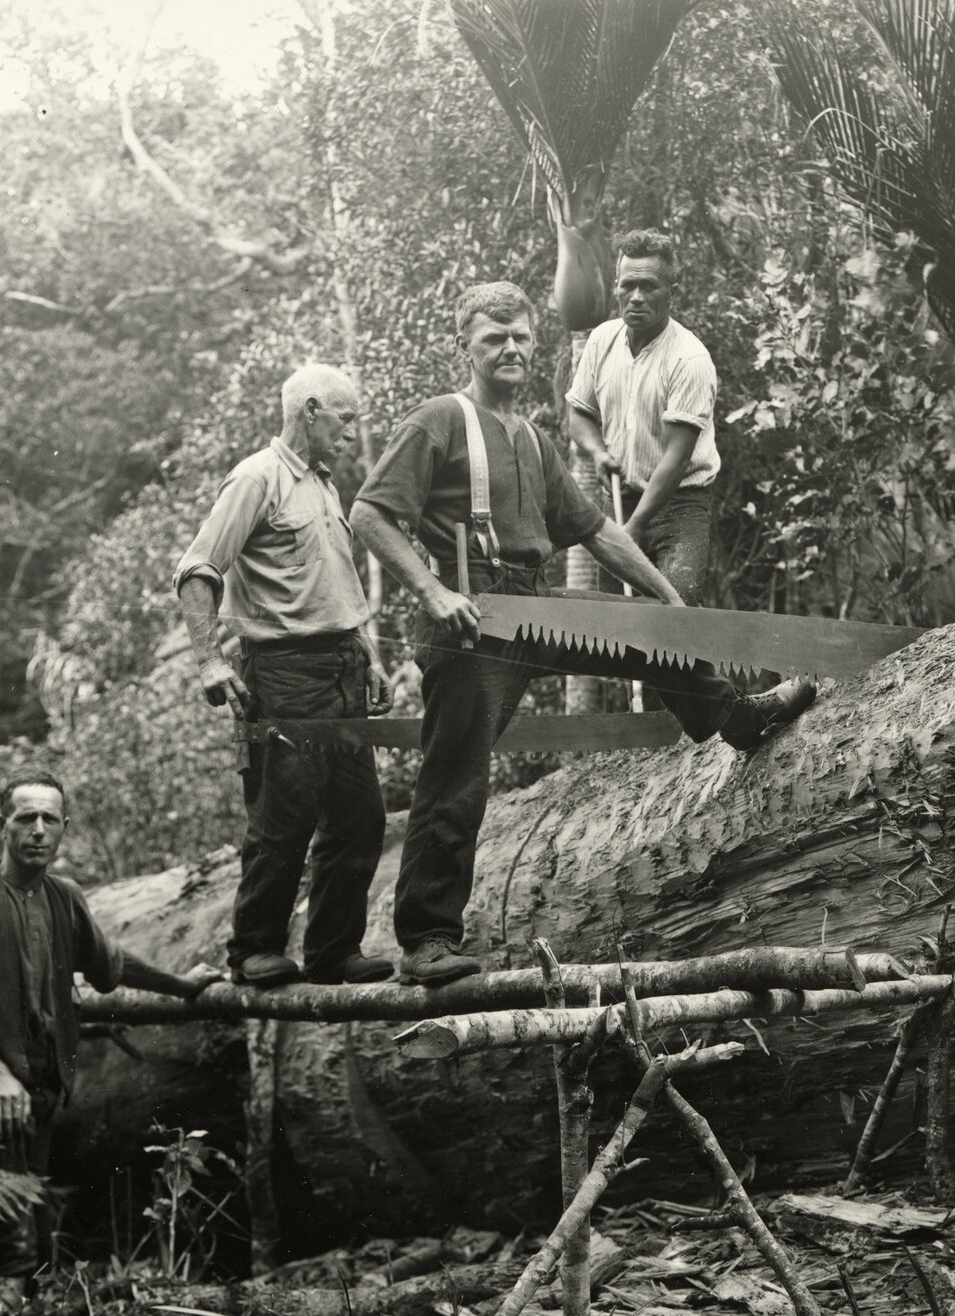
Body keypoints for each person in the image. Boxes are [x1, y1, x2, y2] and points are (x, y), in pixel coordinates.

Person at [349, 281, 816, 986]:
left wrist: (664, 600)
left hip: (533, 601)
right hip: (472, 618)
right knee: (457, 776)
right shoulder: (440, 420)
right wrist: (433, 591)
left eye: (519, 338)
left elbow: (595, 530)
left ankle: (734, 718)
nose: (509, 349)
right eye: (492, 339)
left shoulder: (531, 439)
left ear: (533, 345)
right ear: (465, 348)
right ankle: (426, 941)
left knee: (637, 632)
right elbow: (369, 514)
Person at [0, 771, 220, 1295]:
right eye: (24, 817)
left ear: (64, 828)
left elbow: (109, 966)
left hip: (38, 1090)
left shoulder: (63, 898)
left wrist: (183, 985)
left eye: (49, 819)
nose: (37, 830)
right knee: (8, 1223)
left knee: (34, 1210)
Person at [173, 364, 394, 988]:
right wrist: (209, 658)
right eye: (346, 418)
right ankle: (253, 951)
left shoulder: (324, 485)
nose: (352, 432)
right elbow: (198, 569)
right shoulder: (255, 478)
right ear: (312, 409)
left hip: (342, 668)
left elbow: (336, 585)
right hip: (284, 672)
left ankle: (333, 952)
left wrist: (369, 657)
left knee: (360, 818)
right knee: (284, 817)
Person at [567, 228, 719, 604]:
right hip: (619, 498)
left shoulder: (689, 358)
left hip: (680, 507)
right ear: (616, 286)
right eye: (627, 285)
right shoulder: (601, 340)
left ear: (673, 292)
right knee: (616, 629)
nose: (636, 297)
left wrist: (632, 529)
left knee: (676, 621)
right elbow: (578, 416)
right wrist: (599, 452)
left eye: (649, 286)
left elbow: (677, 456)